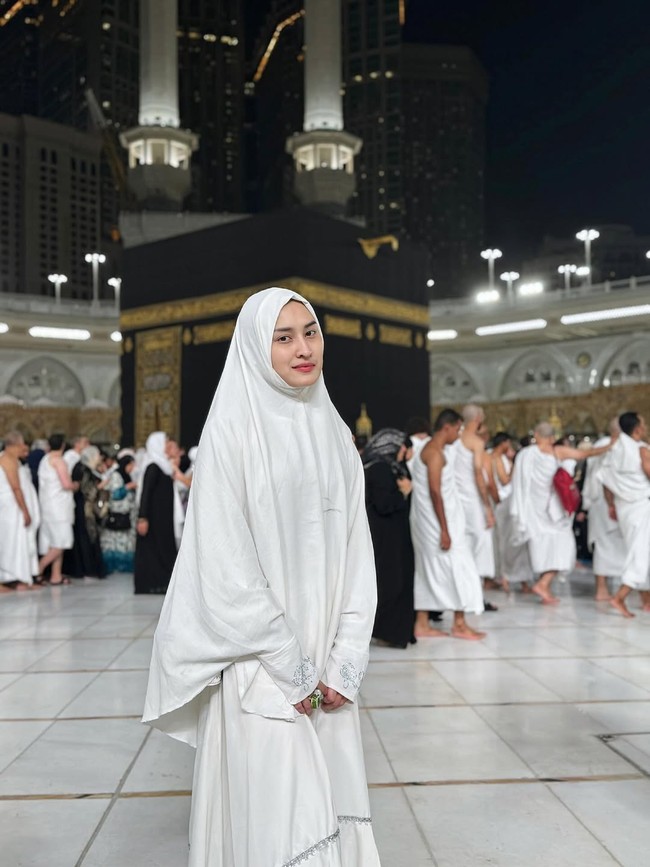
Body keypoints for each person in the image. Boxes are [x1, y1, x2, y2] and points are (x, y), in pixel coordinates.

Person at [143, 287, 380, 866]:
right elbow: (224, 561)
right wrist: (289, 665)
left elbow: (358, 553)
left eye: (311, 332)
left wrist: (345, 659)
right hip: (261, 662)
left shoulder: (335, 433)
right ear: (255, 347)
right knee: (279, 821)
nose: (304, 349)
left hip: (327, 665)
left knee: (331, 808)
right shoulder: (232, 432)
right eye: (284, 337)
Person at [510, 422, 610, 604]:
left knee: (542, 546)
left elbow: (516, 480)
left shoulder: (525, 455)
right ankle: (543, 583)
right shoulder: (557, 452)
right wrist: (610, 445)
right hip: (552, 511)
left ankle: (544, 585)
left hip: (533, 511)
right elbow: (585, 454)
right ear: (552, 438)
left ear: (536, 435)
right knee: (563, 546)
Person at [411, 408, 486, 641]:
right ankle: (459, 623)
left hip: (428, 521)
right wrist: (444, 529)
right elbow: (435, 492)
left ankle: (422, 622)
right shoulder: (434, 453)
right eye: (457, 429)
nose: (459, 433)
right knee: (460, 567)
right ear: (447, 427)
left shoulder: (431, 449)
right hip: (437, 523)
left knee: (428, 569)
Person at [363, 428, 415, 648]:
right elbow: (384, 504)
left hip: (397, 533)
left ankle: (399, 631)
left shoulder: (392, 467)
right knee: (391, 582)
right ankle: (388, 632)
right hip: (385, 536)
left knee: (401, 579)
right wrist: (403, 492)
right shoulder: (379, 469)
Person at [600, 412, 650, 617]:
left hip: (623, 507)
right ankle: (620, 596)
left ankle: (646, 599)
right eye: (644, 423)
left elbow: (605, 481)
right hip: (640, 505)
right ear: (637, 429)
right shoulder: (640, 449)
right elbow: (648, 470)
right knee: (640, 551)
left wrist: (611, 505)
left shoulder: (615, 450)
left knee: (641, 548)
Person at [452, 405, 496, 588]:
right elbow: (478, 474)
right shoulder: (476, 442)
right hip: (472, 499)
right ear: (478, 419)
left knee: (461, 541)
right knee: (481, 540)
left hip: (454, 499)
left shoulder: (453, 439)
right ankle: (475, 588)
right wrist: (487, 507)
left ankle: (464, 586)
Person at [133, 432, 183, 594]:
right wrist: (142, 517)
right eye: (165, 443)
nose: (167, 446)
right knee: (153, 550)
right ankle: (152, 584)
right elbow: (145, 493)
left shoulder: (164, 466)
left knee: (163, 548)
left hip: (164, 518)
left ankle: (164, 582)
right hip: (153, 518)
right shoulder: (153, 467)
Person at [581, 418, 625, 601]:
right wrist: (612, 503)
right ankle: (606, 589)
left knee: (603, 545)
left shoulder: (600, 444)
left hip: (598, 502)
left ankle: (603, 588)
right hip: (610, 501)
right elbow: (608, 476)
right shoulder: (616, 446)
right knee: (612, 544)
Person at [491, 433, 533, 594]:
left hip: (510, 500)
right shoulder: (496, 458)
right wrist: (516, 467)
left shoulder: (502, 458)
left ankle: (522, 579)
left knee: (517, 542)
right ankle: (506, 577)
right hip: (504, 503)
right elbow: (504, 480)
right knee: (507, 542)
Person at [64, 445, 108, 579]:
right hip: (85, 509)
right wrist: (100, 486)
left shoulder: (82, 468)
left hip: (83, 508)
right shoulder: (84, 469)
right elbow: (87, 491)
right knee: (86, 536)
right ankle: (88, 568)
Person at [37, 433, 76, 585]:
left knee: (55, 541)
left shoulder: (44, 460)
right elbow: (66, 484)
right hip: (59, 508)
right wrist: (76, 485)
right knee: (62, 542)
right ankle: (38, 569)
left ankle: (56, 575)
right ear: (63, 445)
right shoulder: (59, 461)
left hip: (47, 505)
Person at [0, 431, 35, 591]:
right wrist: (25, 511)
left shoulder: (12, 460)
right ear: (16, 445)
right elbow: (16, 488)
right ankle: (6, 578)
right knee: (10, 541)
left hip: (11, 507)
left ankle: (16, 578)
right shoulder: (7, 460)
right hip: (9, 507)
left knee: (16, 541)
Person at [101, 454, 137, 574]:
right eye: (131, 465)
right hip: (118, 513)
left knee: (126, 541)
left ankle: (124, 564)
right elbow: (115, 494)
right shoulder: (116, 475)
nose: (132, 468)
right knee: (116, 541)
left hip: (127, 513)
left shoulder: (126, 475)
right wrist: (128, 487)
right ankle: (115, 564)